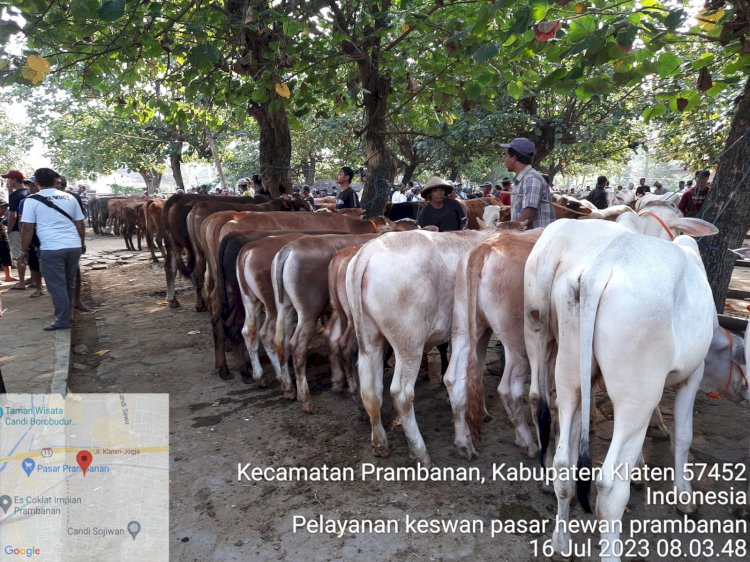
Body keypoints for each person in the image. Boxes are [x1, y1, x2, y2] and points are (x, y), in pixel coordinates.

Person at [19, 168, 86, 331]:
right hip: (73, 246)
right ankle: (67, 316)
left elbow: (27, 227)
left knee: (56, 285)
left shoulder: (31, 200)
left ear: (37, 182)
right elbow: (80, 224)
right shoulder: (70, 197)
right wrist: (81, 243)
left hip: (51, 248)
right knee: (69, 283)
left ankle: (62, 320)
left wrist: (24, 250)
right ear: (56, 181)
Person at [500, 137, 555, 229]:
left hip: (536, 240)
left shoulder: (531, 179)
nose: (505, 160)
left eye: (507, 156)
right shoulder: (523, 179)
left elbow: (527, 218)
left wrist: (503, 229)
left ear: (514, 158)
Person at [3, 170, 29, 290]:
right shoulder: (29, 192)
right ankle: (34, 279)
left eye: (9, 178)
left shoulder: (15, 195)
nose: (7, 181)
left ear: (14, 179)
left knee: (19, 255)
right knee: (30, 253)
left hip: (17, 229)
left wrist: (8, 229)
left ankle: (22, 283)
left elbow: (13, 216)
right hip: (29, 227)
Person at [0, 199, 14, 282]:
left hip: (3, 239)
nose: (5, 210)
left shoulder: (3, 218)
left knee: (6, 256)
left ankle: (8, 276)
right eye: (3, 208)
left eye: (6, 208)